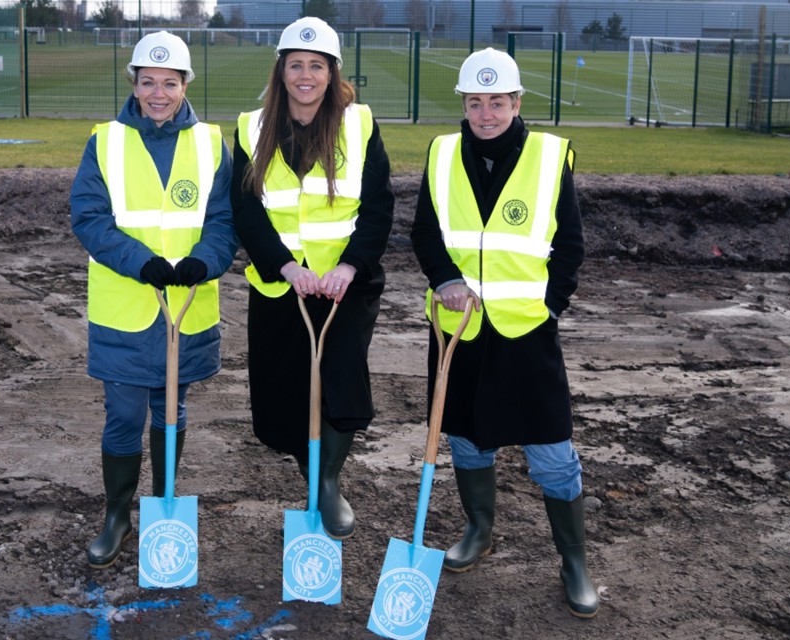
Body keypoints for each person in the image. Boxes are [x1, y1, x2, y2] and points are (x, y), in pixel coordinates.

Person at [410, 48, 597, 618]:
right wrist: (443, 280)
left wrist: (550, 306)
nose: (486, 113)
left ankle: (574, 561)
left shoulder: (547, 156)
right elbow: (425, 233)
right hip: (460, 332)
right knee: (468, 439)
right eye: (475, 102)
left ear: (517, 103)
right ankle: (478, 530)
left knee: (553, 456)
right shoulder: (442, 153)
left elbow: (569, 247)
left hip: (527, 333)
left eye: (497, 102)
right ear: (463, 105)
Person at [69, 31, 237, 569]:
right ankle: (117, 515)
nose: (158, 94)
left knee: (172, 410)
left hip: (186, 308)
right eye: (148, 83)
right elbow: (89, 219)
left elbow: (224, 221)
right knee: (123, 416)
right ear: (133, 84)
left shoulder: (212, 143)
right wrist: (140, 262)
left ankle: (163, 512)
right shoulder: (106, 141)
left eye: (169, 83)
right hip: (125, 307)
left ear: (187, 84)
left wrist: (203, 263)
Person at [232, 17, 394, 540]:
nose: (306, 76)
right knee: (289, 394)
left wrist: (349, 266)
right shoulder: (251, 128)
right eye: (296, 66)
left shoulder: (360, 124)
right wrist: (285, 266)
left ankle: (326, 483)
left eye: (316, 66)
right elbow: (247, 210)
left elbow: (378, 206)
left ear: (332, 73)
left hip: (346, 286)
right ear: (281, 72)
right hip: (283, 286)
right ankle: (313, 469)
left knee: (343, 387)